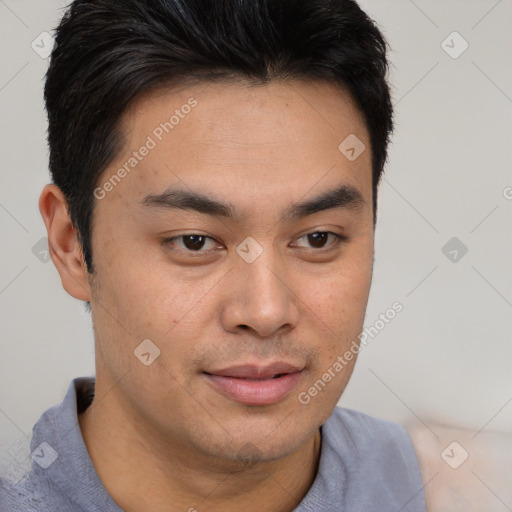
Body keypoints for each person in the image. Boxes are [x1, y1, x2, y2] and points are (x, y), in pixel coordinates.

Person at [0, 0, 427, 510]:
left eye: (317, 238)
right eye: (195, 241)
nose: (266, 312)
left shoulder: (432, 484)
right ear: (71, 246)